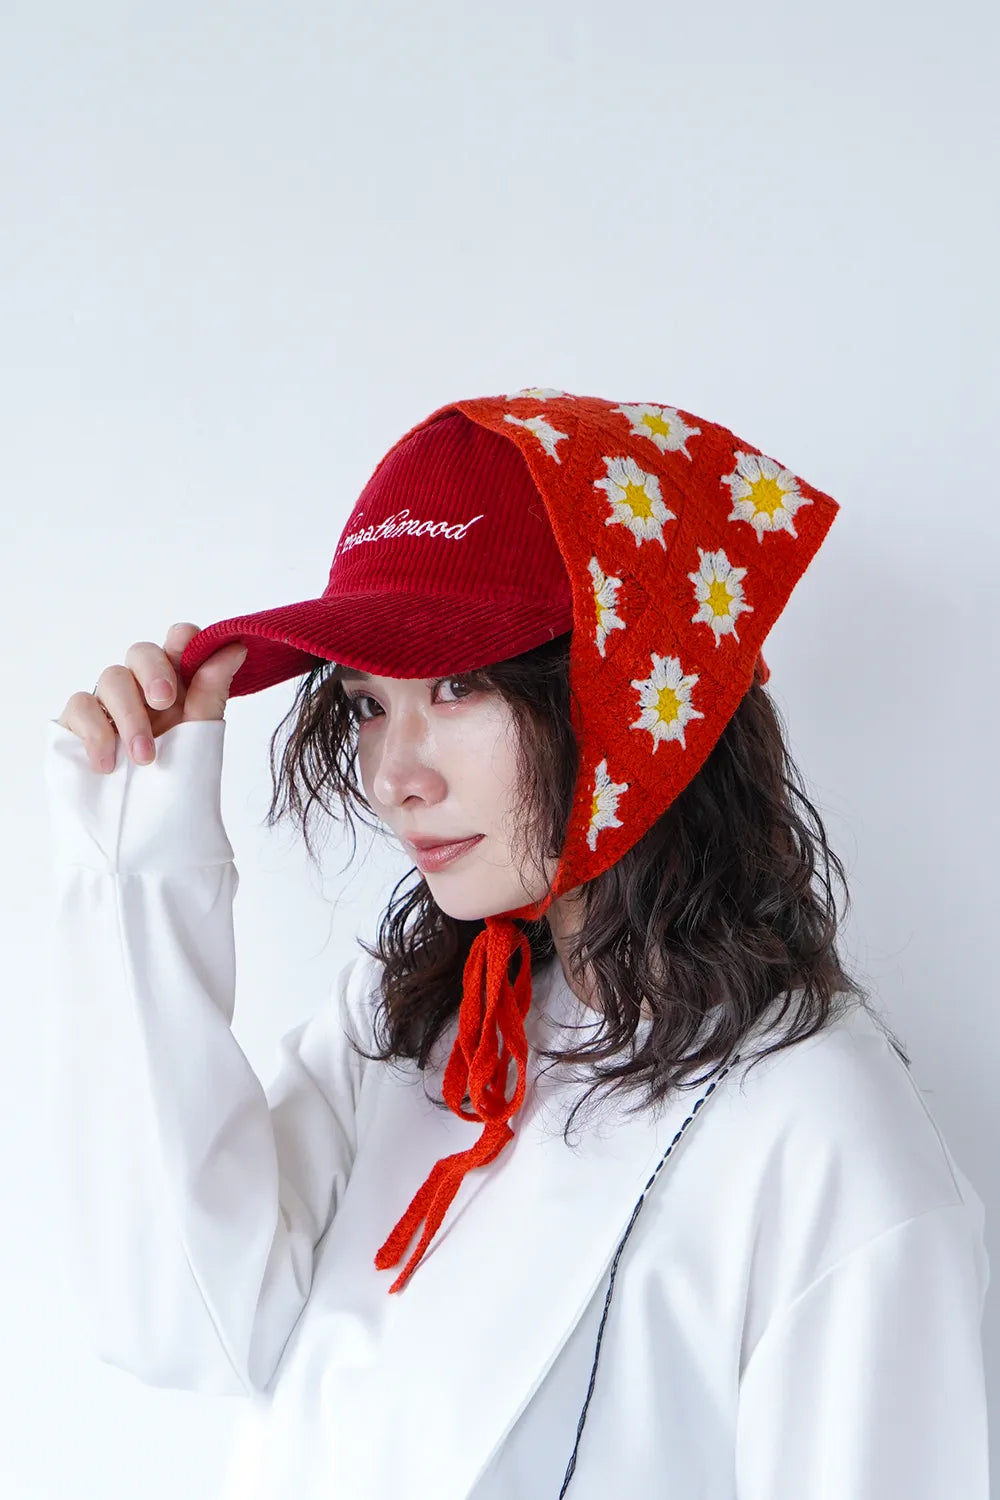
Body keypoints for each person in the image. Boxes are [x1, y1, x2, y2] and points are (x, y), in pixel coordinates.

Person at [44, 390, 990, 1499]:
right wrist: (140, 846)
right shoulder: (409, 1025)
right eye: (367, 703)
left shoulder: (824, 1139)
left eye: (460, 685)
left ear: (633, 696)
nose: (395, 776)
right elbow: (183, 1322)